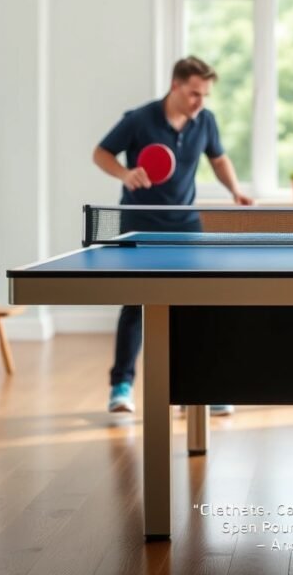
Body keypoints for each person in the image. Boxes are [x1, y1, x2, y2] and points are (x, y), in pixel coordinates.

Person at [94, 56, 252, 414]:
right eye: (195, 93)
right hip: (138, 222)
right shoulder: (139, 119)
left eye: (205, 95)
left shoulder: (205, 121)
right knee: (136, 303)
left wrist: (235, 190)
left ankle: (198, 386)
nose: (200, 101)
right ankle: (121, 385)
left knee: (195, 303)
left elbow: (219, 159)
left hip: (184, 223)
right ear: (175, 86)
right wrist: (124, 174)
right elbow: (101, 153)